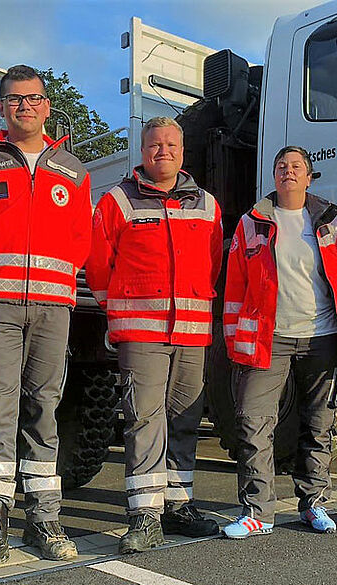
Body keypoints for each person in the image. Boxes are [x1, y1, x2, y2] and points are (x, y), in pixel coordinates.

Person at [0, 65, 93, 578]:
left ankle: (44, 521)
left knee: (45, 406)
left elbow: (80, 240)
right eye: (14, 100)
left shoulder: (72, 170)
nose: (24, 107)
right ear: (1, 107)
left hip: (53, 310)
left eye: (33, 99)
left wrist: (63, 283)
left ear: (47, 106)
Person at [86, 116, 223, 553]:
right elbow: (98, 264)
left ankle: (178, 506)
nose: (162, 151)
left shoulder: (207, 204)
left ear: (183, 152)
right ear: (142, 151)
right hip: (141, 331)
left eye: (171, 145)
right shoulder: (118, 200)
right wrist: (119, 308)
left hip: (191, 330)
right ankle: (144, 515)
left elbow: (213, 263)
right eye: (154, 145)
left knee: (184, 418)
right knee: (144, 418)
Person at [221, 146, 337, 539]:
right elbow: (235, 285)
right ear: (274, 175)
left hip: (323, 337)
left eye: (296, 166)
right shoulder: (254, 222)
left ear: (309, 176)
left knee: (319, 424)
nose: (288, 172)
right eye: (281, 166)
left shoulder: (332, 221)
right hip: (270, 337)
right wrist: (235, 342)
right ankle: (257, 512)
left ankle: (314, 504)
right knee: (253, 422)